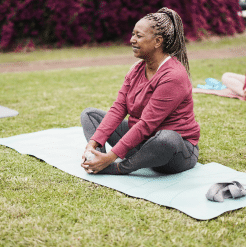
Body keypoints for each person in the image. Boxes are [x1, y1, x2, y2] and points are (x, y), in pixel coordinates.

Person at [80, 7, 200, 175]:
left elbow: (146, 124)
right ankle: (96, 158)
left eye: (139, 36)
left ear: (158, 41)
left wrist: (112, 158)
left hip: (174, 152)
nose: (132, 40)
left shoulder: (173, 76)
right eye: (133, 34)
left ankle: (117, 167)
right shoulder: (136, 69)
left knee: (167, 138)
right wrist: (93, 143)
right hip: (141, 142)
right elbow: (118, 109)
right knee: (90, 115)